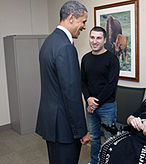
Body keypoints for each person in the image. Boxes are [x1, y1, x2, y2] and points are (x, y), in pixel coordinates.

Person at [35, 1, 90, 164]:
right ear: (72, 18)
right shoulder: (66, 47)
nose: (84, 26)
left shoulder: (49, 41)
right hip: (64, 126)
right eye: (83, 21)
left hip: (52, 121)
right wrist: (82, 131)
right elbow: (71, 94)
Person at [81, 26, 120, 164]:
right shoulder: (85, 58)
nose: (95, 41)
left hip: (107, 106)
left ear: (104, 40)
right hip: (90, 106)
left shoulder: (112, 59)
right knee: (94, 137)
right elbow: (83, 82)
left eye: (98, 38)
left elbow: (111, 85)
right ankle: (95, 161)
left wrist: (95, 103)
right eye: (92, 37)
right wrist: (88, 99)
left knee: (110, 139)